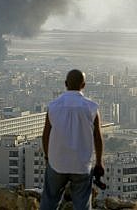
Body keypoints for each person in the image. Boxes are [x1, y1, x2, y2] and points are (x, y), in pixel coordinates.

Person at [40, 69, 104, 210]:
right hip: (81, 164)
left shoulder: (53, 106)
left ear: (65, 83)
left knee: (50, 200)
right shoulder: (92, 108)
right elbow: (98, 137)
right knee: (82, 204)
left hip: (57, 162)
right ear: (84, 85)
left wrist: (47, 157)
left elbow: (45, 135)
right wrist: (99, 162)